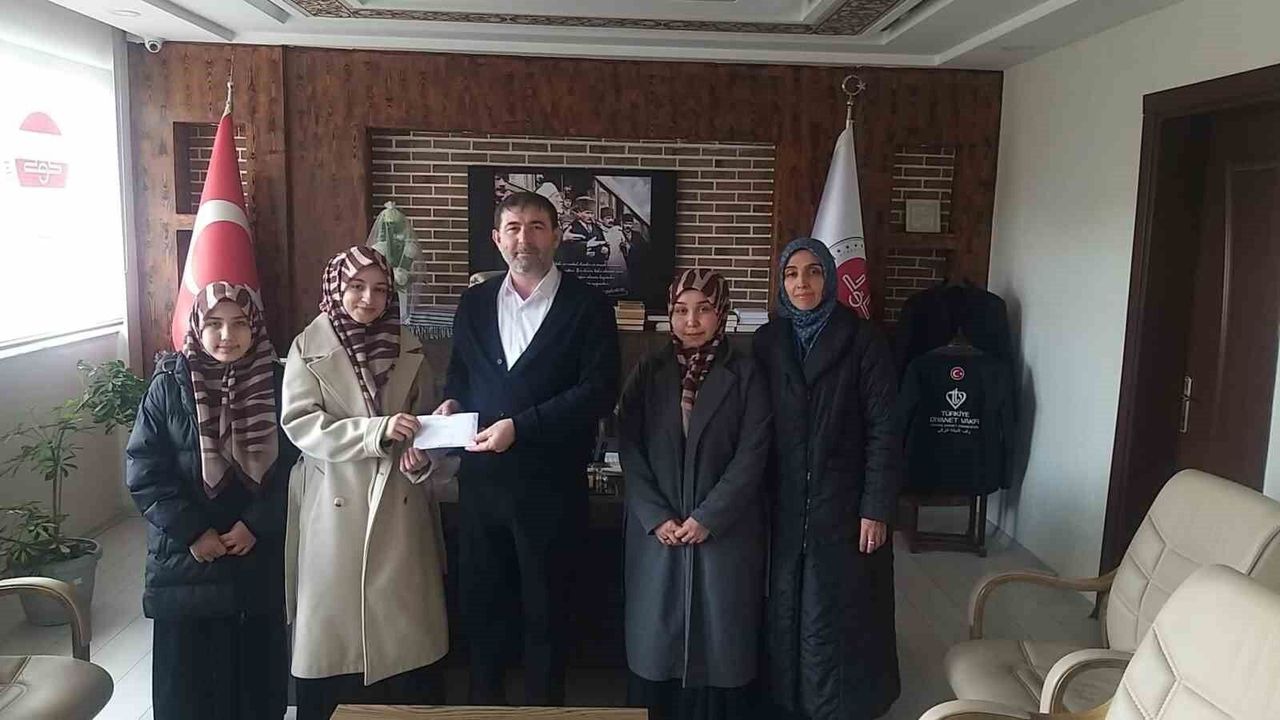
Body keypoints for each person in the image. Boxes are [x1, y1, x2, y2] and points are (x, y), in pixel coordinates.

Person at [438, 190, 620, 705]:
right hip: (481, 490)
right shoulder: (474, 303)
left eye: (537, 227)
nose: (525, 238)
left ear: (557, 236)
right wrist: (451, 402)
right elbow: (459, 373)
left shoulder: (589, 307)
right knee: (482, 616)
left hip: (552, 492)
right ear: (497, 239)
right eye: (514, 228)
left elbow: (599, 391)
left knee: (548, 618)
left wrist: (521, 427)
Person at [281, 246, 454, 719]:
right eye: (356, 287)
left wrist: (423, 455)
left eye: (380, 289)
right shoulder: (307, 346)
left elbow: (420, 422)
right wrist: (374, 432)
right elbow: (301, 424)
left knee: (404, 642)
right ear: (336, 288)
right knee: (336, 643)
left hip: (400, 504)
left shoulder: (408, 346)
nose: (368, 299)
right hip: (334, 503)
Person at [126, 281, 298, 719]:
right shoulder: (169, 384)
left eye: (239, 324)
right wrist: (193, 532)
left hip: (255, 555)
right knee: (190, 690)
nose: (227, 335)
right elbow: (145, 469)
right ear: (197, 327)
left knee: (255, 687)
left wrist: (257, 523)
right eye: (215, 324)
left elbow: (297, 465)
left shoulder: (277, 383)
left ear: (255, 327)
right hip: (186, 561)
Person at [754, 238, 903, 720]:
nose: (802, 283)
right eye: (792, 273)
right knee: (786, 604)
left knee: (835, 607)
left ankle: (837, 706)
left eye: (814, 272)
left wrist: (876, 507)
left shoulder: (863, 340)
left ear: (831, 279)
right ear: (781, 282)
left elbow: (885, 428)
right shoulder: (768, 341)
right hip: (784, 500)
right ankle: (787, 700)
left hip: (845, 503)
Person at [619, 269, 771, 720]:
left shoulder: (746, 373)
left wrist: (710, 516)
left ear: (721, 313)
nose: (691, 321)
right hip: (659, 533)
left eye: (703, 309)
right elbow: (629, 445)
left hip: (724, 533)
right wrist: (655, 515)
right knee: (656, 641)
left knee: (721, 642)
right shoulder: (650, 370)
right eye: (682, 310)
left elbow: (754, 452)